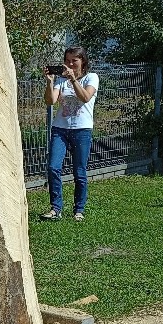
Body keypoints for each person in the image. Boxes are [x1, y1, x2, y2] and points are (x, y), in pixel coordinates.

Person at [40, 46, 99, 222]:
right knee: (53, 167)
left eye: (74, 60)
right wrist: (50, 81)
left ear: (83, 61)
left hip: (82, 130)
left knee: (79, 172)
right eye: (67, 60)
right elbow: (50, 101)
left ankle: (78, 210)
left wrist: (73, 80)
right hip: (60, 129)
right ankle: (55, 208)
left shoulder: (91, 78)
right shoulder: (61, 80)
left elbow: (86, 97)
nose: (70, 64)